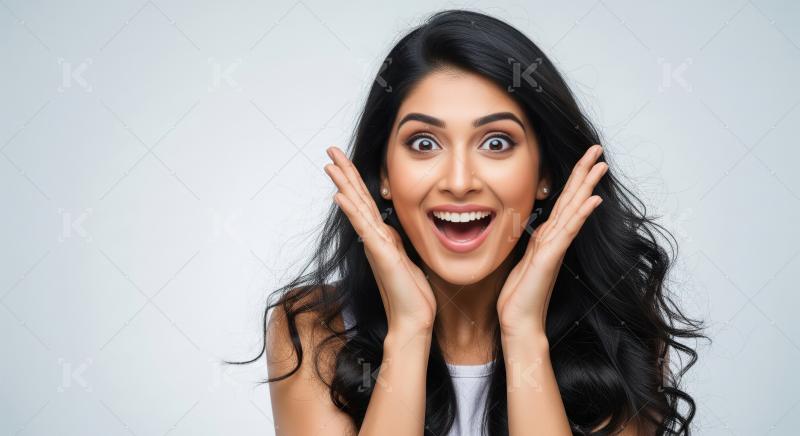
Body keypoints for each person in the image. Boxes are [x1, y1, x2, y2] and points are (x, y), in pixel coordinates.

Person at [230, 9, 707, 436]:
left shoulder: (617, 335)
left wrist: (523, 331)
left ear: (544, 176)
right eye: (424, 143)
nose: (459, 182)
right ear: (384, 176)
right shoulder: (314, 329)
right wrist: (409, 329)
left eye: (496, 142)